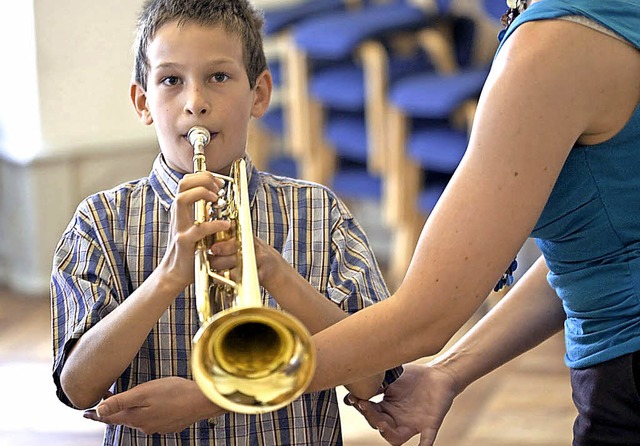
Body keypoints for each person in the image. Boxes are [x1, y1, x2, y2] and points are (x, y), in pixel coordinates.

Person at [287, 0, 638, 445]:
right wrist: (450, 371)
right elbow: (604, 246)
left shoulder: (555, 42)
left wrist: (216, 391)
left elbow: (423, 318)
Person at [50, 0, 401, 444]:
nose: (195, 103)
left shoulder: (318, 212)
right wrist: (167, 276)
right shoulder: (99, 221)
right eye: (171, 80)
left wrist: (274, 272)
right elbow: (78, 388)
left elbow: (373, 381)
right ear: (143, 102)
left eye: (218, 77)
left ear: (259, 94)